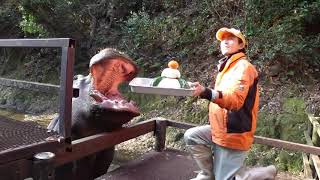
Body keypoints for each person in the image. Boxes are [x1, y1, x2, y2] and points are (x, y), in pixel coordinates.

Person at [184, 27, 269, 180]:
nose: (225, 42)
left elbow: (235, 101)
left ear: (241, 45)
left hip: (234, 131)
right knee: (192, 136)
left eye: (230, 39)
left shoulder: (243, 67)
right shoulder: (227, 67)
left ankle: (264, 173)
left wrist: (206, 92)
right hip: (220, 128)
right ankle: (207, 175)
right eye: (223, 39)